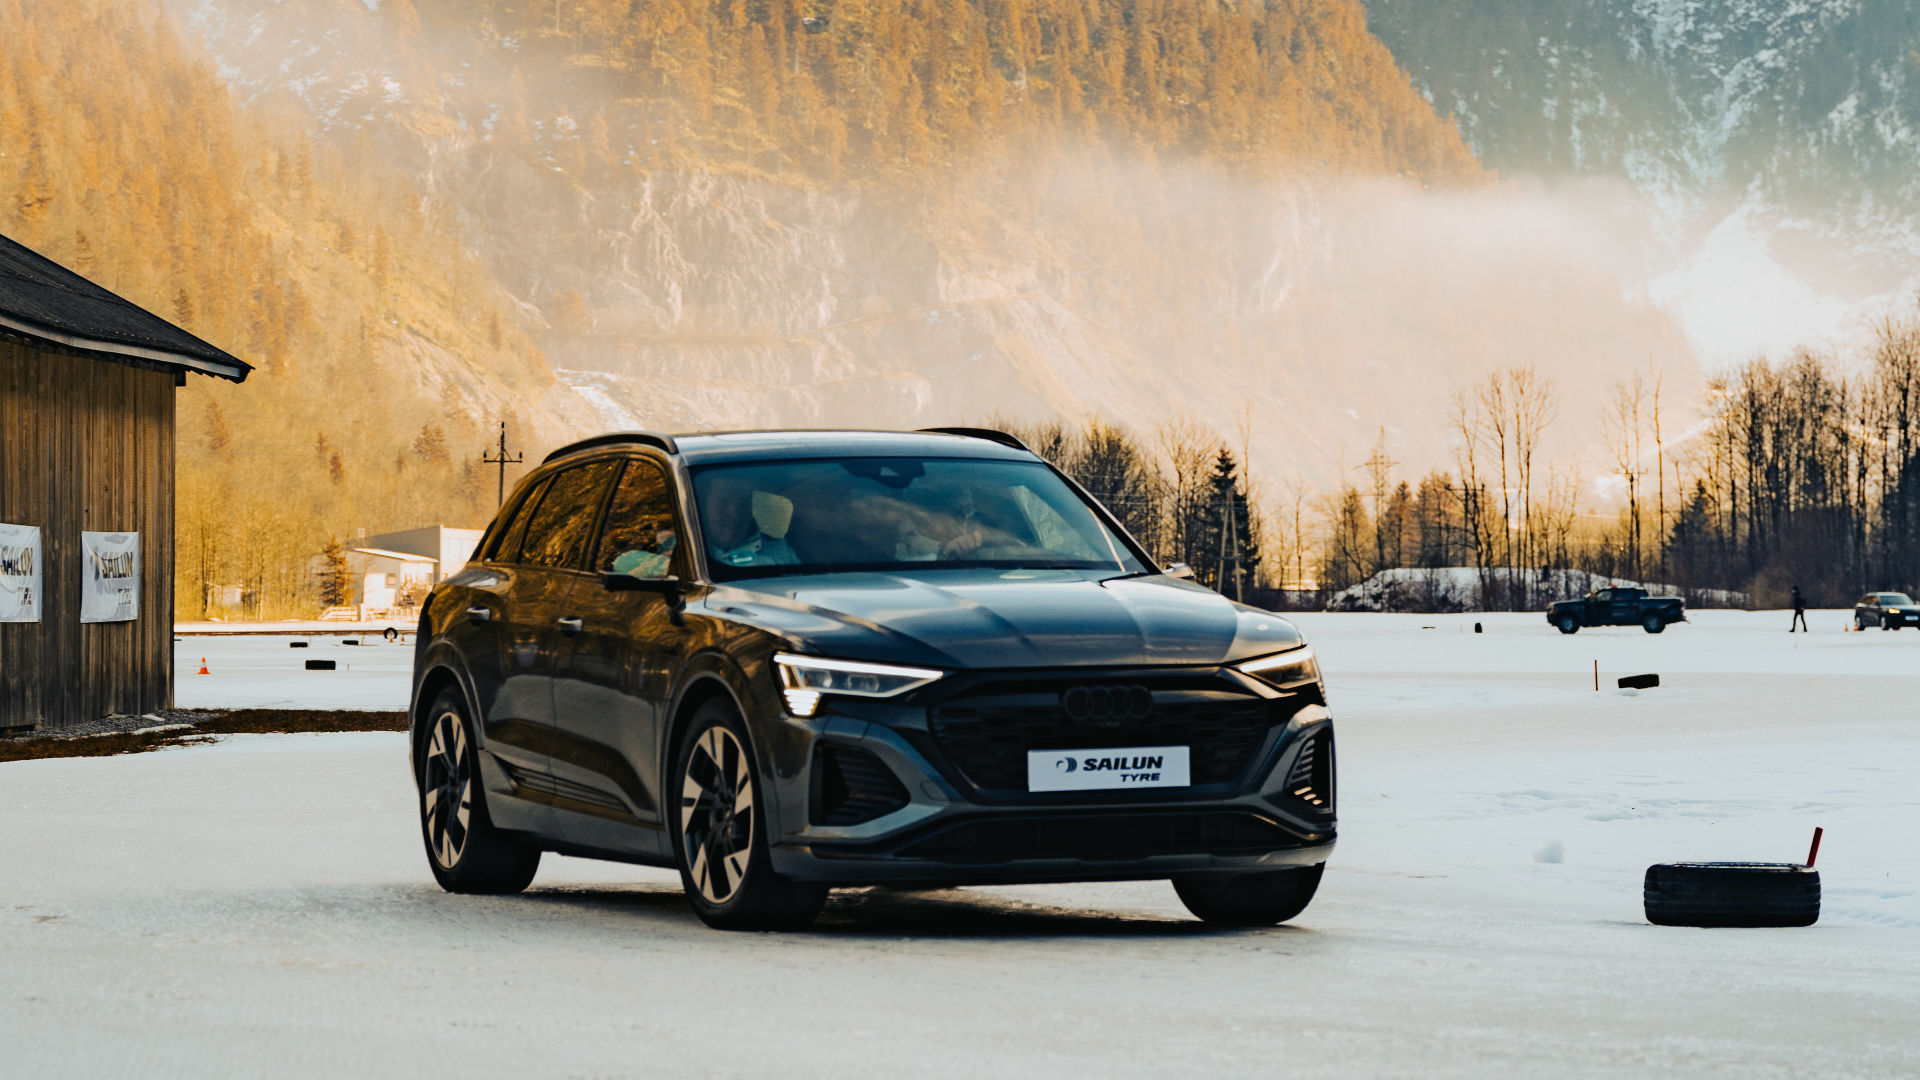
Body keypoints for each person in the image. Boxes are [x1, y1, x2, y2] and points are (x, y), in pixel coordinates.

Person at [703, 474, 798, 568]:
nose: (734, 513)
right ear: (703, 507)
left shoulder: (780, 553)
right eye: (723, 502)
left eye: (744, 502)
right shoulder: (690, 556)